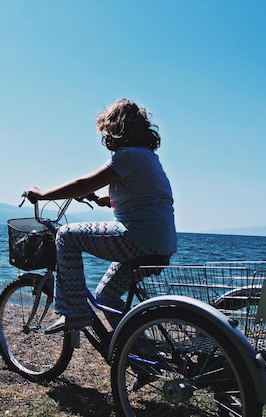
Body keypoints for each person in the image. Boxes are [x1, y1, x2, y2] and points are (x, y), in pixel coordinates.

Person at [26, 98, 177, 333]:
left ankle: (74, 313)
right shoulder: (146, 157)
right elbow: (143, 197)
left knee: (66, 235)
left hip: (137, 238)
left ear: (116, 128)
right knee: (106, 296)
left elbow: (82, 183)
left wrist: (43, 194)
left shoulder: (127, 156)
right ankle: (140, 351)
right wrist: (103, 199)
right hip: (161, 243)